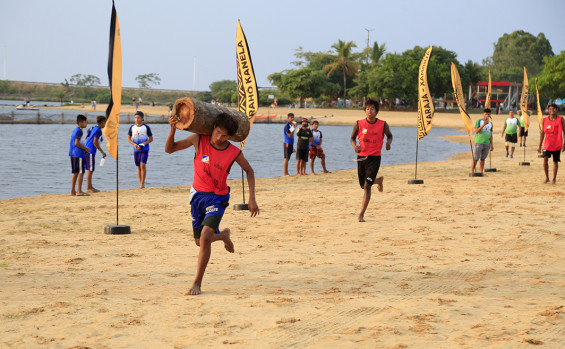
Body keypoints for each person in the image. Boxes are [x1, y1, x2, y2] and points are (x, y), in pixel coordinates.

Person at [165, 112, 260, 296]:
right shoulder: (198, 140)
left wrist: (252, 198)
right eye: (217, 132)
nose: (219, 138)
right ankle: (223, 235)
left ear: (230, 137)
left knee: (206, 235)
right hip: (197, 196)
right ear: (212, 129)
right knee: (199, 241)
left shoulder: (234, 152)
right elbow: (170, 149)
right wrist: (172, 129)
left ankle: (197, 283)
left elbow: (249, 171)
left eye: (224, 136)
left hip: (218, 197)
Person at [350, 98, 393, 222]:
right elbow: (352, 138)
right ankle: (379, 180)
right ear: (365, 111)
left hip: (374, 158)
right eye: (367, 109)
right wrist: (354, 147)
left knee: (367, 186)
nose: (369, 111)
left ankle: (361, 214)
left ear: (376, 111)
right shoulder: (358, 123)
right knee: (362, 185)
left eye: (372, 109)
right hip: (361, 157)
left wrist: (388, 143)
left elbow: (390, 135)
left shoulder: (383, 124)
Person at [538, 104, 565, 184]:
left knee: (555, 162)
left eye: (553, 109)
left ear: (557, 110)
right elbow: (542, 133)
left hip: (557, 144)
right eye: (550, 109)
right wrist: (540, 146)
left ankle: (554, 179)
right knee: (545, 159)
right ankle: (547, 178)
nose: (551, 110)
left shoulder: (561, 119)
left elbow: (564, 132)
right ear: (548, 110)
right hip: (547, 144)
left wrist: (564, 143)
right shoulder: (545, 120)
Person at [127, 111, 153, 189]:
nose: (136, 119)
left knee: (143, 166)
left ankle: (142, 184)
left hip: (145, 149)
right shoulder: (132, 127)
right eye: (135, 117)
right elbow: (128, 138)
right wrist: (134, 144)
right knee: (138, 166)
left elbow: (151, 139)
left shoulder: (146, 127)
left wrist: (143, 144)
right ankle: (140, 183)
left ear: (142, 118)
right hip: (136, 149)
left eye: (138, 117)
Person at [68, 114, 90, 196]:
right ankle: (79, 191)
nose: (86, 124)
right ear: (80, 122)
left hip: (73, 153)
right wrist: (85, 149)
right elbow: (76, 143)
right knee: (81, 172)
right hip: (78, 154)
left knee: (75, 172)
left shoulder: (75, 130)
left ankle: (72, 191)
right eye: (85, 122)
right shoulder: (79, 131)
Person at [85, 115, 107, 193]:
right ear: (102, 123)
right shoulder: (98, 130)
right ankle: (88, 188)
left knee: (90, 169)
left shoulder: (93, 127)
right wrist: (102, 151)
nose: (105, 124)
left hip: (86, 150)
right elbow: (94, 142)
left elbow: (86, 138)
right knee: (90, 170)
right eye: (105, 123)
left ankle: (90, 186)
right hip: (90, 151)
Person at [471, 109, 494, 174]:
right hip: (479, 142)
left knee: (483, 159)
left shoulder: (491, 124)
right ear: (483, 114)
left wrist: (491, 145)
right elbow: (476, 131)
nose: (487, 115)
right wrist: (483, 124)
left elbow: (491, 134)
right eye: (486, 114)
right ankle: (472, 171)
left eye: (488, 114)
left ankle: (481, 172)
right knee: (475, 158)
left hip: (486, 143)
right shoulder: (479, 121)